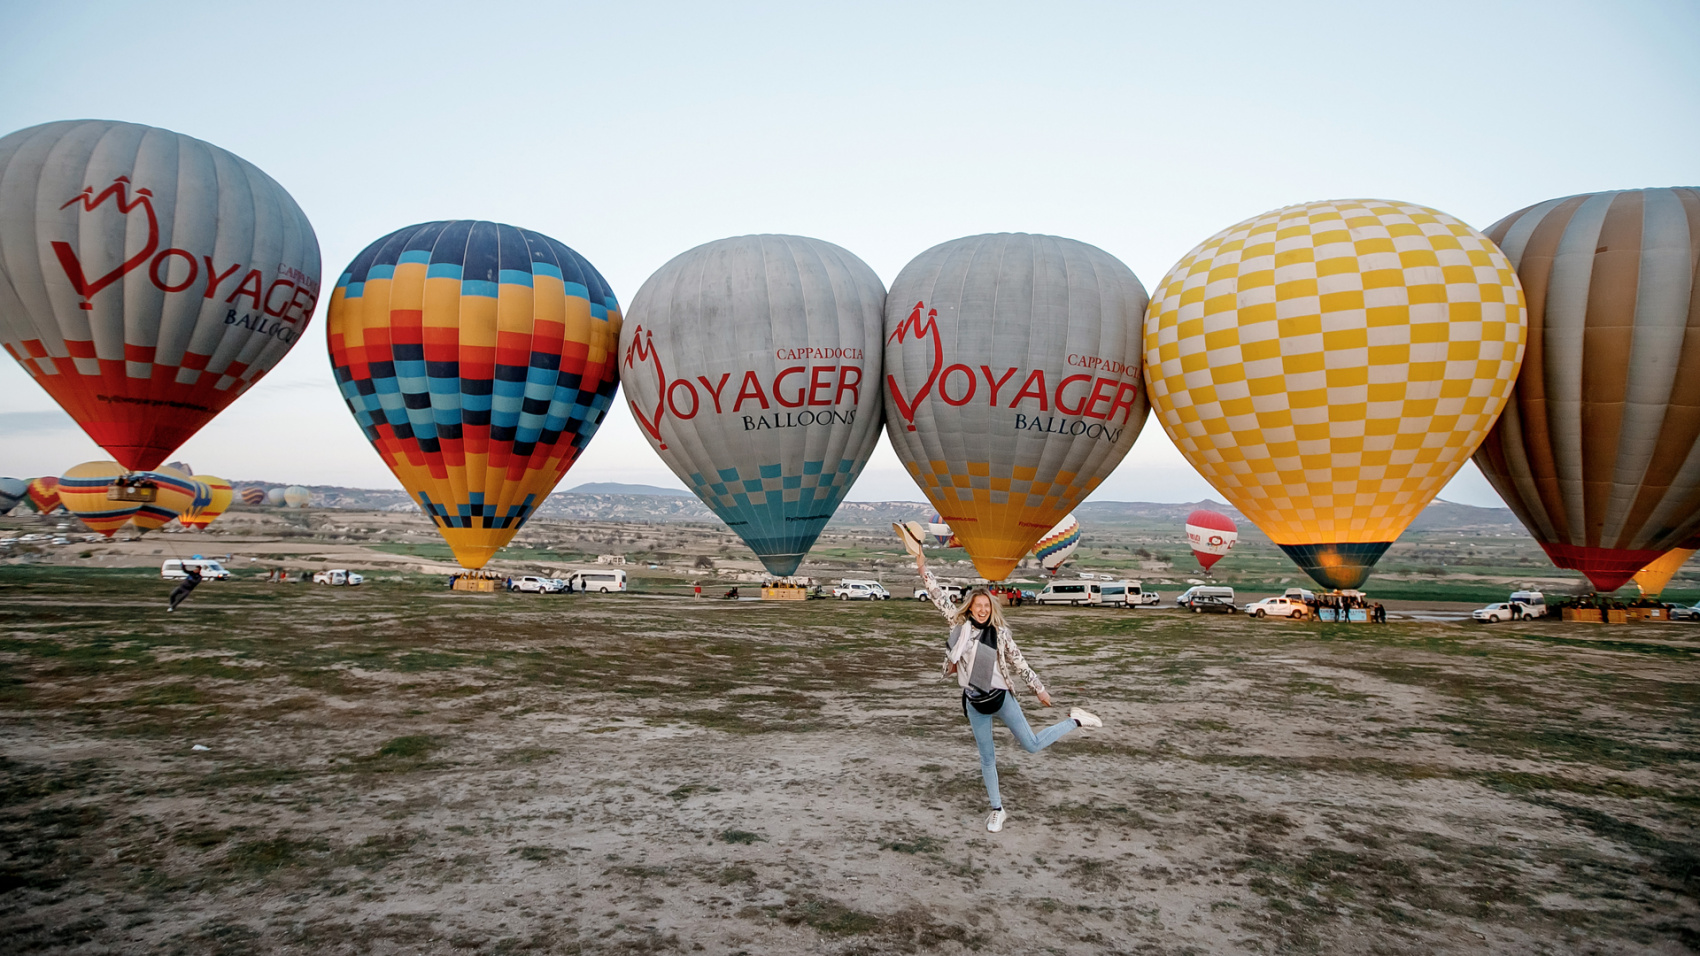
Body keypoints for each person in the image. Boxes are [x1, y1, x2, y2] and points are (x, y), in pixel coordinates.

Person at [895, 521, 1101, 834]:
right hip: (975, 703)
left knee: (1031, 745)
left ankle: (1076, 720)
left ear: (991, 609)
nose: (981, 610)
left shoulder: (1000, 634)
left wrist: (1040, 690)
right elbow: (937, 595)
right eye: (976, 606)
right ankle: (997, 809)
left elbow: (1020, 662)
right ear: (970, 608)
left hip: (1001, 698)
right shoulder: (960, 626)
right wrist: (921, 562)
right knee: (987, 758)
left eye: (985, 606)